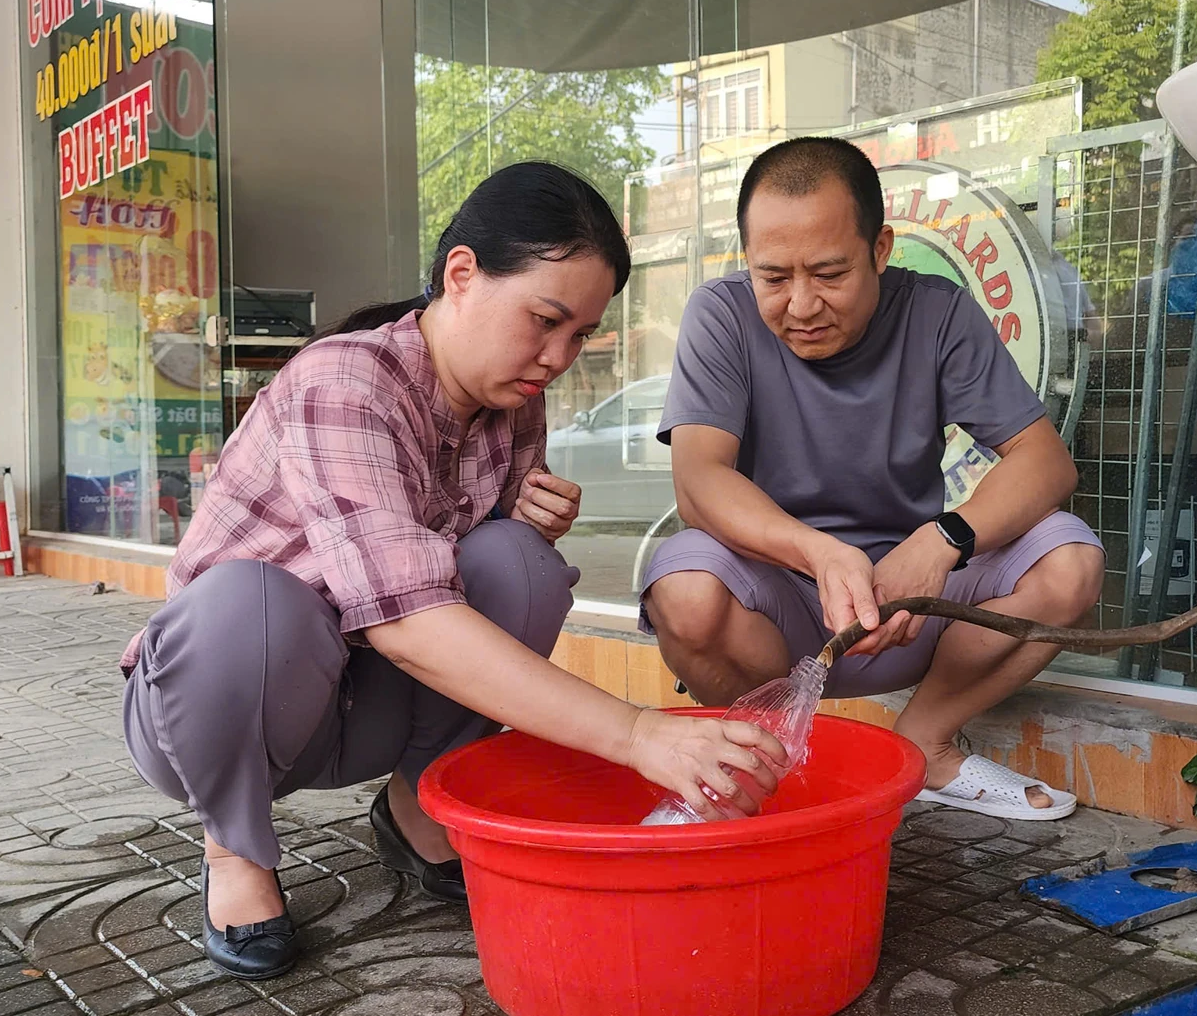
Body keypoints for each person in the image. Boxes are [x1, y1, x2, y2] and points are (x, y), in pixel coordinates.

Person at [120, 162, 786, 981]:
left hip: (357, 702)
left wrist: (515, 525)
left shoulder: (514, 403)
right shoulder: (346, 379)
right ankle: (235, 848)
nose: (558, 357)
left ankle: (418, 806)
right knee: (257, 603)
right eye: (544, 319)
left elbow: (468, 577)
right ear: (461, 274)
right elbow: (403, 617)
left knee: (522, 565)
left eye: (579, 334)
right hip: (221, 707)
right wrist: (639, 733)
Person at [641, 137, 1105, 822]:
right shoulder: (722, 314)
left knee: (1071, 559)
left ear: (881, 249)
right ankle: (751, 771)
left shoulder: (937, 314)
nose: (801, 304)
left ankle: (926, 747)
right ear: (747, 260)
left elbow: (1045, 461)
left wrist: (943, 538)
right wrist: (820, 554)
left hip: (910, 614)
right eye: (774, 276)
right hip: (777, 612)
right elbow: (699, 479)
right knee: (684, 588)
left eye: (829, 272)